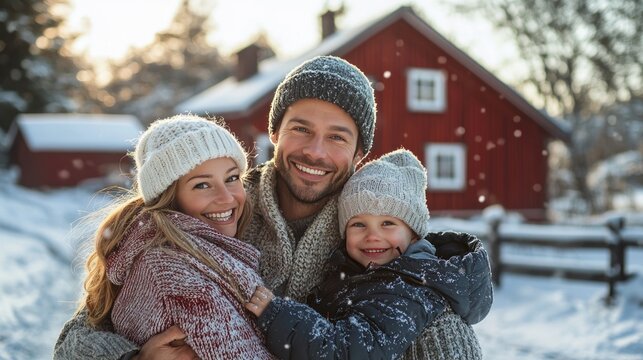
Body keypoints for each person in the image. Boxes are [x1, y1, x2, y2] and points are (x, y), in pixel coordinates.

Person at [54, 55, 492, 359]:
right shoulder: (217, 206)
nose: (316, 151)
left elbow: (424, 307)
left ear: (360, 153)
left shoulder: (375, 235)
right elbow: (77, 336)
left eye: (338, 137)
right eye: (301, 128)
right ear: (275, 134)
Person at [58, 115, 274, 359]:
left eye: (232, 178)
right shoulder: (173, 277)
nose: (226, 197)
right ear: (169, 196)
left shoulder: (207, 248)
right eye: (202, 185)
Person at [246, 149, 486, 359]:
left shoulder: (409, 288)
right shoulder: (364, 275)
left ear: (413, 234)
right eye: (359, 225)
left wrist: (277, 314)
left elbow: (349, 351)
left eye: (388, 224)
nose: (372, 236)